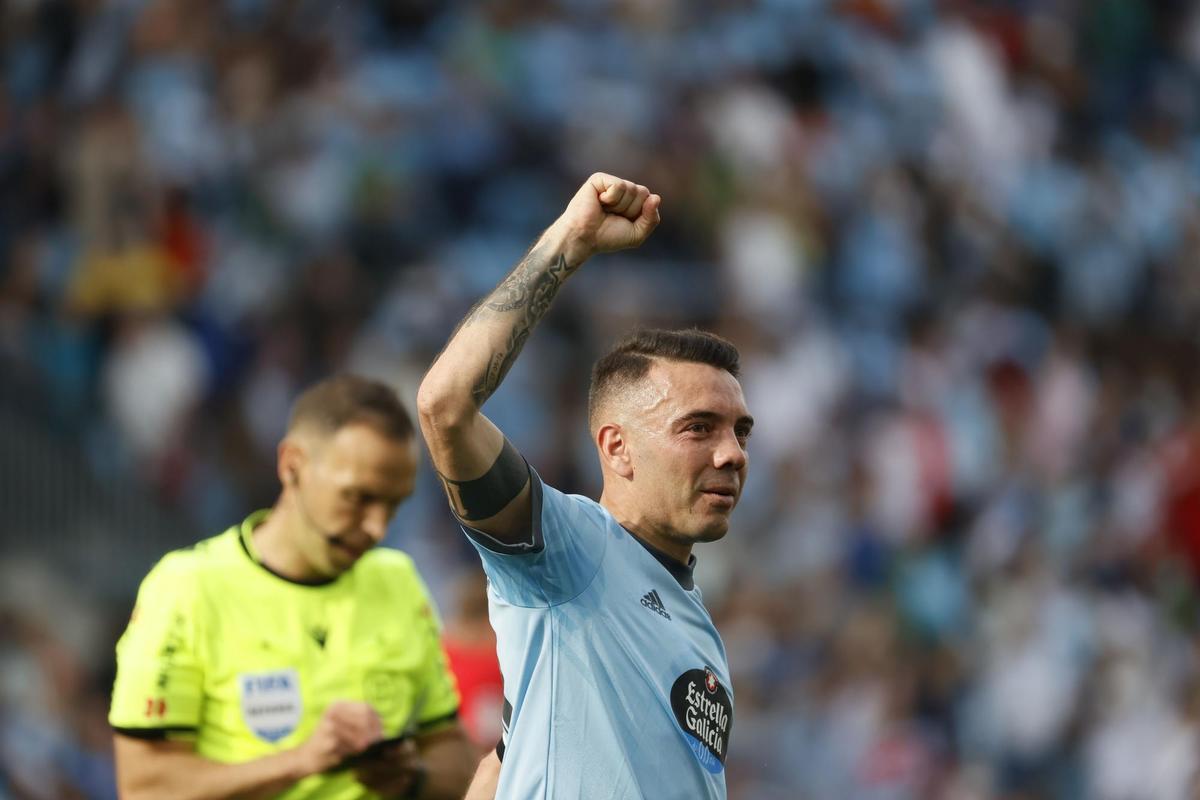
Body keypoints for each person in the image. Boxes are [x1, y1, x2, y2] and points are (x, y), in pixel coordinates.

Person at [417, 173, 752, 798]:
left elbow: (510, 754)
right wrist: (570, 242)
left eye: (740, 432)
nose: (732, 454)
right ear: (616, 448)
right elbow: (445, 406)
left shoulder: (694, 620)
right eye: (699, 428)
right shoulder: (572, 550)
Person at [108, 375, 475, 800]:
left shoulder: (398, 580)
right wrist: (301, 760)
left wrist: (412, 777)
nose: (377, 527)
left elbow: (449, 748)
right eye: (357, 497)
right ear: (292, 465)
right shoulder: (186, 588)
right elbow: (144, 788)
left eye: (394, 504)